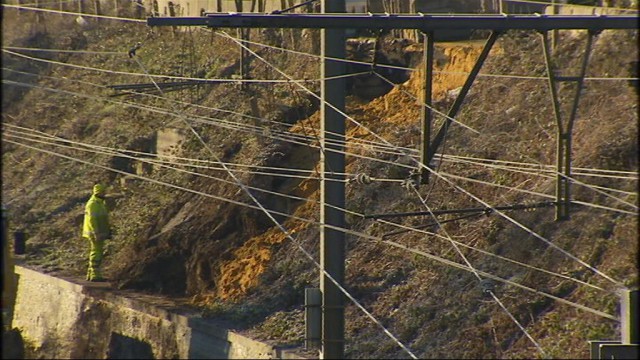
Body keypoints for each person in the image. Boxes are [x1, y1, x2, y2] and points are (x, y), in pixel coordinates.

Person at [82, 184, 111, 282]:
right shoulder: (93, 204)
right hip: (95, 233)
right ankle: (95, 274)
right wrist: (96, 233)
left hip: (100, 232)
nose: (104, 194)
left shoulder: (99, 203)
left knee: (96, 251)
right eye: (103, 192)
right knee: (96, 252)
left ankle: (90, 274)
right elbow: (92, 220)